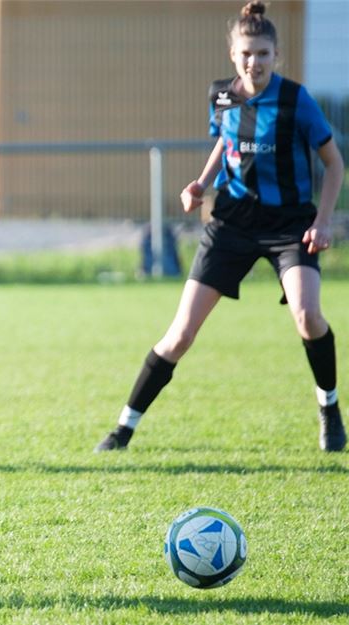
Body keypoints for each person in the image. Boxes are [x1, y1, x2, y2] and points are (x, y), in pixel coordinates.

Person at [95, 1, 345, 453]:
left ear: (276, 55)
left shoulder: (295, 100)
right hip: (231, 223)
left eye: (263, 54)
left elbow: (334, 164)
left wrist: (323, 220)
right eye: (246, 54)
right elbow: (225, 144)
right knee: (181, 334)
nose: (255, 63)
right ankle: (122, 431)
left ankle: (328, 409)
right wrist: (200, 184)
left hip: (291, 225)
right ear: (233, 55)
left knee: (308, 318)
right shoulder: (222, 95)